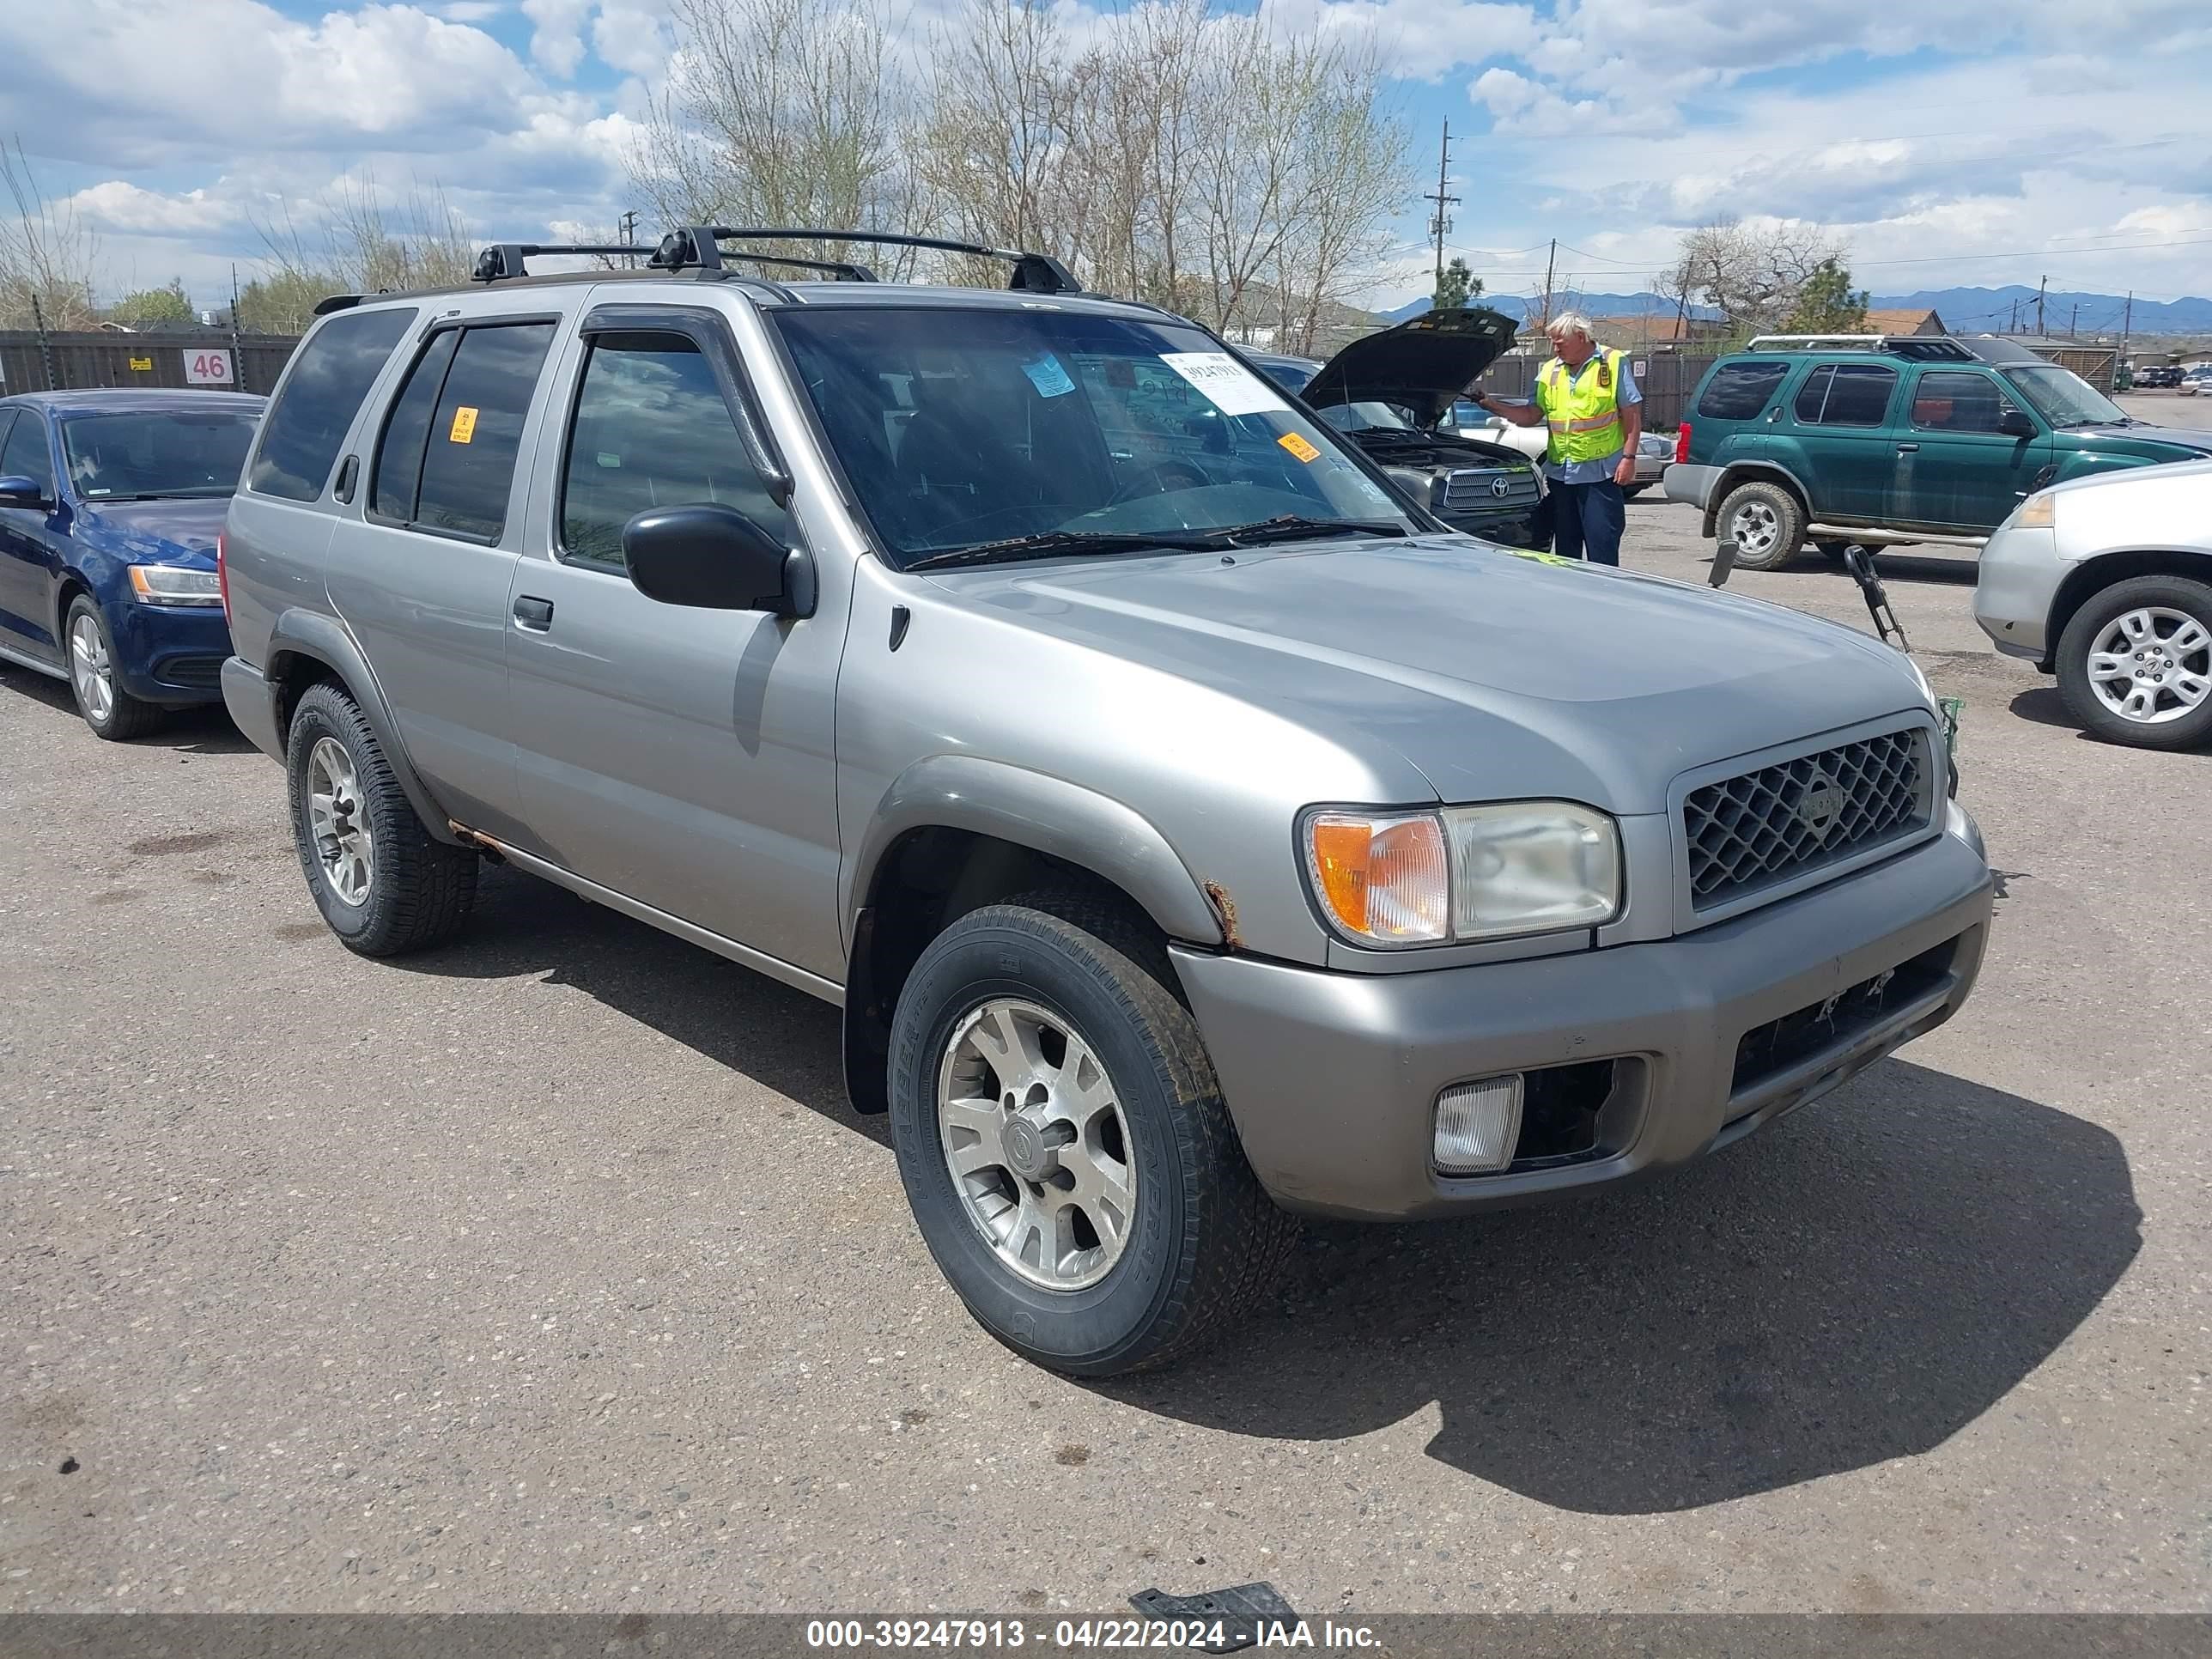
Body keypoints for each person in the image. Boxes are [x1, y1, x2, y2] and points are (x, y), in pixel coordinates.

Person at [1470, 313, 1642, 566]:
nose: (1555, 348)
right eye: (1553, 342)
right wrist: (1491, 405)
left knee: (1602, 549)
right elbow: (1530, 415)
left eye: (1560, 342)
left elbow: (1632, 414)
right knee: (1564, 554)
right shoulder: (1549, 371)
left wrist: (1629, 458)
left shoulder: (1614, 363)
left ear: (1582, 338)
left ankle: (1604, 599)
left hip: (1601, 475)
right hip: (1562, 475)